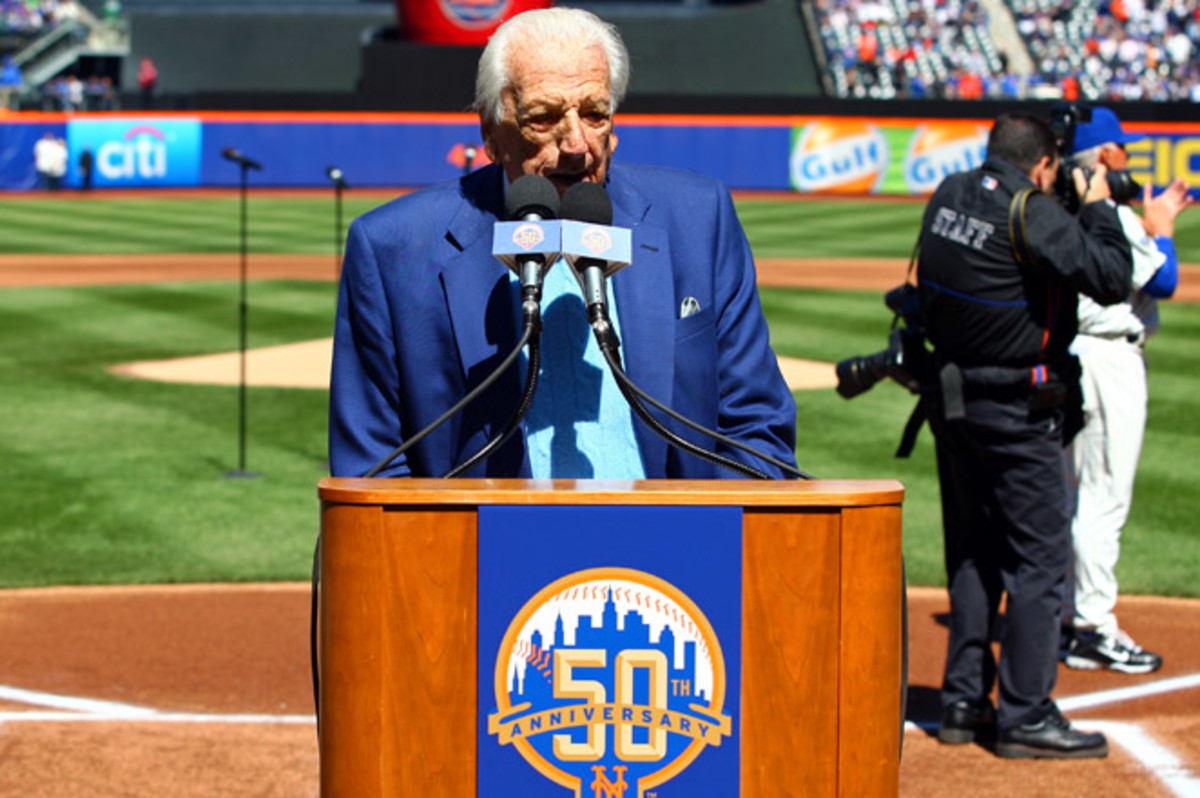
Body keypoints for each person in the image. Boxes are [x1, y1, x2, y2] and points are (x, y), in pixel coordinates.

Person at [328, 7, 797, 480]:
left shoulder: (699, 219)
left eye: (595, 114)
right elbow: (372, 476)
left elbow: (758, 434)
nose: (576, 144)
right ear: (491, 135)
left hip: (669, 545)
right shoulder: (391, 248)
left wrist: (693, 544)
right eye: (544, 118)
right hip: (485, 551)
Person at [916, 113, 1133, 759]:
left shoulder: (951, 191)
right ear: (1043, 164)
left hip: (953, 400)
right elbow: (1110, 278)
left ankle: (961, 701)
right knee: (1040, 561)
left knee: (975, 552)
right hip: (1018, 406)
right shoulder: (1031, 209)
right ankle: (1027, 714)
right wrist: (1095, 205)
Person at [1062, 106, 1192, 674]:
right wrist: (1162, 226)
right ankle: (1092, 625)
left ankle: (1071, 613)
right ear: (1107, 156)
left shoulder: (1063, 209)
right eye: (1123, 147)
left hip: (1073, 354)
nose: (1129, 155)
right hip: (1108, 357)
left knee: (1076, 492)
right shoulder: (1108, 213)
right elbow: (1162, 280)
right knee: (1104, 496)